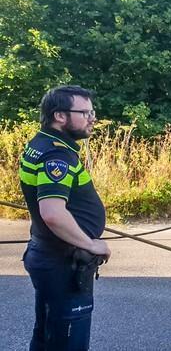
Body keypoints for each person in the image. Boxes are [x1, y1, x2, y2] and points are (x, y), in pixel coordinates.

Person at [19, 85, 111, 350]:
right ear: (60, 116)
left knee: (48, 335)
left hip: (49, 254)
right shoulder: (56, 155)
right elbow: (53, 214)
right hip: (62, 261)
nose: (92, 118)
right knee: (68, 341)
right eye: (85, 112)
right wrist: (92, 244)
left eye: (92, 111)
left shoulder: (41, 143)